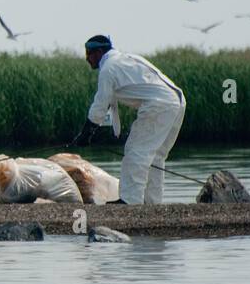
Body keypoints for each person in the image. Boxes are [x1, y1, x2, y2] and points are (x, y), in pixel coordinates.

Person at [72, 34, 185, 204]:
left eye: (89, 53)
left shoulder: (108, 69)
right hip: (177, 101)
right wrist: (92, 131)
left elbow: (100, 103)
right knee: (155, 156)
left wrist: (86, 132)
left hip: (159, 105)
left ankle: (130, 201)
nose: (87, 58)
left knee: (135, 152)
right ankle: (152, 203)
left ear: (100, 52)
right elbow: (109, 104)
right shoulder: (125, 59)